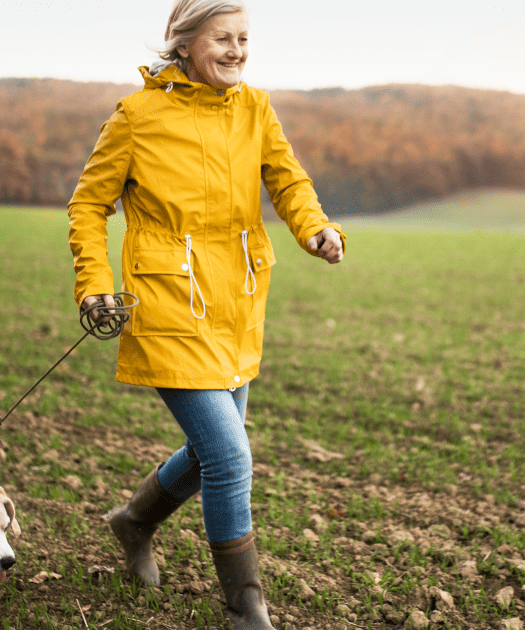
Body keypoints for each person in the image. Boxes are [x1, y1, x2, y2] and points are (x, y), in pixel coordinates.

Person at [66, 1, 344, 627]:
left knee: (211, 450)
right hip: (166, 304)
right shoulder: (137, 116)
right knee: (229, 456)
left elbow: (289, 182)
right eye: (223, 38)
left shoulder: (256, 108)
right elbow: (87, 205)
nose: (237, 50)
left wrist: (315, 228)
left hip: (236, 303)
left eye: (244, 38)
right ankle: (246, 608)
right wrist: (94, 283)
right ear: (185, 42)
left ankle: (133, 522)